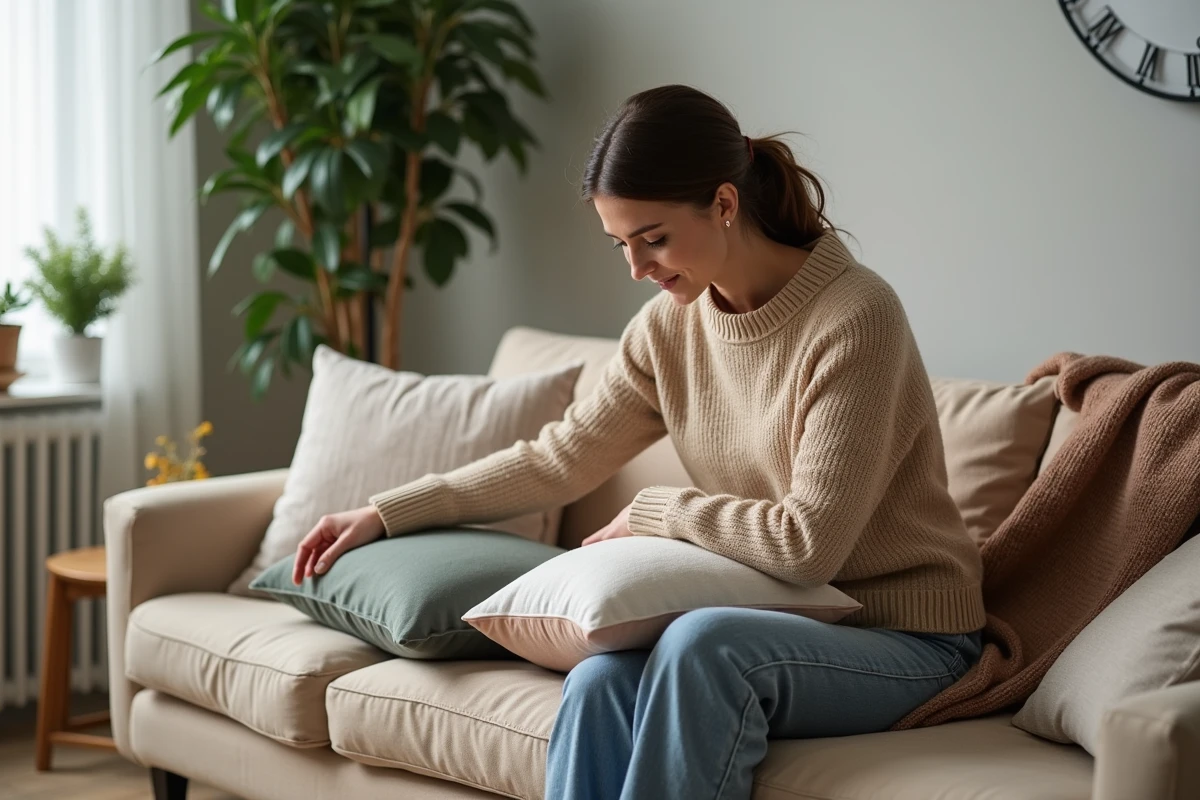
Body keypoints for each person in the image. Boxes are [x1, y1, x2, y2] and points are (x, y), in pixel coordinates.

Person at [291, 84, 986, 800]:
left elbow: (809, 544)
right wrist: (386, 512)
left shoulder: (854, 317)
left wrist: (659, 511)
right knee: (598, 680)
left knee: (702, 648)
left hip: (908, 638)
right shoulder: (668, 328)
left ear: (723, 203)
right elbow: (558, 458)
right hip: (780, 617)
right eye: (621, 244)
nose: (637, 268)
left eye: (652, 238)